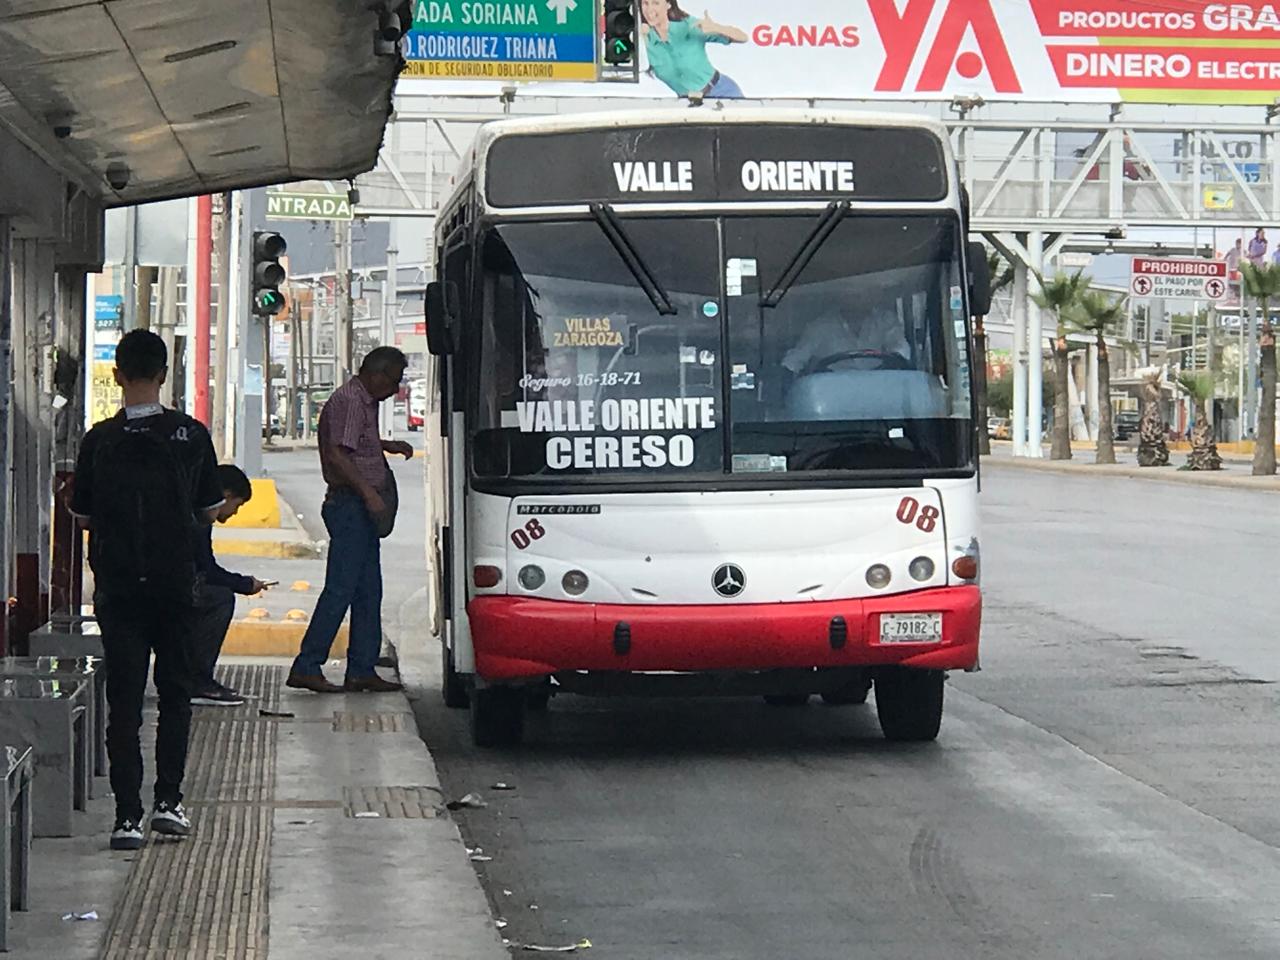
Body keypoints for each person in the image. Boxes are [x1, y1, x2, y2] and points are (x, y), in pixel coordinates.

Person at [71, 329, 224, 851]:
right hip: (175, 586)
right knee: (176, 696)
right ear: (163, 375)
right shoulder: (191, 435)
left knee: (125, 705)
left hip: (118, 590)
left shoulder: (98, 439)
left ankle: (126, 817)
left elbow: (83, 515)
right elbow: (208, 510)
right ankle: (169, 803)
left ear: (117, 376)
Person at [287, 347, 414, 694]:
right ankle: (308, 664)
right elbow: (338, 454)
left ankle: (361, 667)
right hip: (351, 506)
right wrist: (369, 494)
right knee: (341, 588)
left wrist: (385, 445)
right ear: (377, 373)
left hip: (360, 508)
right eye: (394, 380)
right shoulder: (351, 401)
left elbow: (355, 441)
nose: (396, 388)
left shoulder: (364, 403)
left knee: (368, 590)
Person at [189, 464, 272, 707]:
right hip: (168, 590)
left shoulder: (189, 506)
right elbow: (207, 570)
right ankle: (198, 680)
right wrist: (245, 584)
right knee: (219, 599)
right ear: (225, 495)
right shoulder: (200, 517)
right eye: (237, 504)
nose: (234, 512)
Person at [641, 0, 746, 102]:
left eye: (656, 3)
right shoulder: (643, 41)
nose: (649, 9)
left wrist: (716, 28)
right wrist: (637, 39)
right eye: (645, 3)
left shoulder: (688, 26)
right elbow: (627, 60)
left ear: (668, 4)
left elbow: (743, 37)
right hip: (690, 104)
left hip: (722, 92)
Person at [781, 303, 911, 376]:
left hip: (879, 393)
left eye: (863, 287)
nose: (858, 295)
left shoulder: (885, 320)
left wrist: (893, 360)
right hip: (832, 401)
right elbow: (794, 360)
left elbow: (900, 350)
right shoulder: (820, 326)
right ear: (842, 295)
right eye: (852, 290)